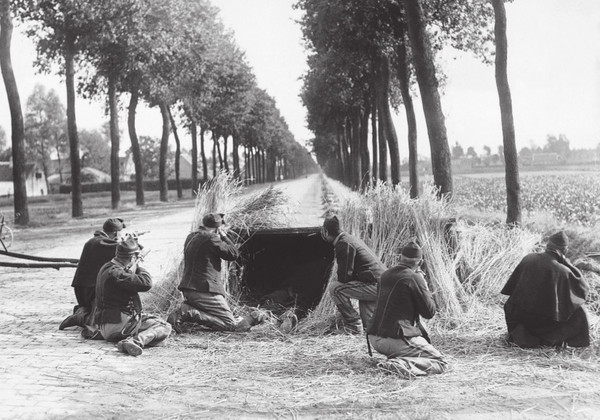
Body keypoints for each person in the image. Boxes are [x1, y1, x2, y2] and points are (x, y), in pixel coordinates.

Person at [167, 213, 260, 333]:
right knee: (232, 325)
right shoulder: (211, 238)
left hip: (189, 289)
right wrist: (224, 235)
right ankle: (188, 312)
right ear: (218, 228)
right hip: (204, 291)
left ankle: (189, 310)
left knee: (227, 317)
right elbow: (233, 254)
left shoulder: (191, 236)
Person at [367, 241, 447, 378]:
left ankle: (398, 360)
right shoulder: (414, 278)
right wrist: (424, 285)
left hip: (373, 337)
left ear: (400, 258)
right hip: (394, 339)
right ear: (420, 262)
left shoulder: (385, 275)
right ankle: (400, 365)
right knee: (440, 363)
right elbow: (429, 313)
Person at [500, 231, 589, 348]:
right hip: (540, 321)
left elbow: (510, 289)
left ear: (547, 246)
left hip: (517, 316)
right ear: (565, 251)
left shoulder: (528, 258)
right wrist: (567, 263)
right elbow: (583, 288)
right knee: (579, 312)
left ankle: (522, 334)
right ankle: (555, 341)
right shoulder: (562, 271)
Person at [96, 238, 171, 356]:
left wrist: (133, 266)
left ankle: (135, 339)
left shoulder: (106, 267)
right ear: (132, 258)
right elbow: (146, 283)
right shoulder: (117, 274)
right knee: (164, 326)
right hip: (119, 325)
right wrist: (139, 267)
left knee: (158, 335)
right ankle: (134, 341)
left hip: (104, 325)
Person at [321, 215, 386, 333]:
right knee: (369, 326)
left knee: (335, 288)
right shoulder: (350, 239)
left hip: (377, 285)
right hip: (382, 283)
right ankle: (370, 329)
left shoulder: (343, 243)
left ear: (326, 231)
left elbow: (344, 277)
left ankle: (354, 324)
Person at [59, 217, 126, 331]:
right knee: (100, 319)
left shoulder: (95, 240)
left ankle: (82, 311)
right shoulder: (100, 242)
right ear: (115, 232)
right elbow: (122, 249)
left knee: (91, 308)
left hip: (82, 289)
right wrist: (130, 243)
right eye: (120, 233)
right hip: (89, 290)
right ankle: (82, 318)